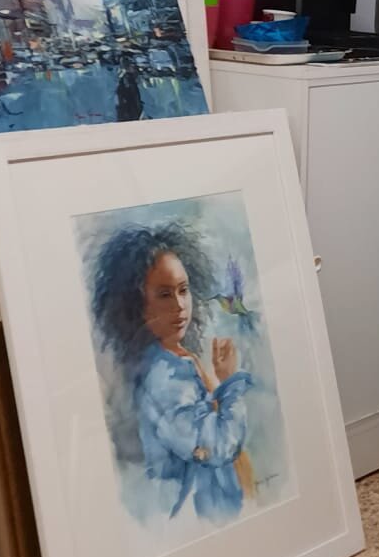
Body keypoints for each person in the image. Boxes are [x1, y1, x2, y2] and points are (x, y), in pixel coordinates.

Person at [89, 223, 256, 522]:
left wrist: (219, 381)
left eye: (183, 290)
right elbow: (218, 446)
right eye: (164, 294)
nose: (180, 305)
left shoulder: (179, 358)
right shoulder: (163, 377)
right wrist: (231, 383)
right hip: (196, 522)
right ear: (137, 304)